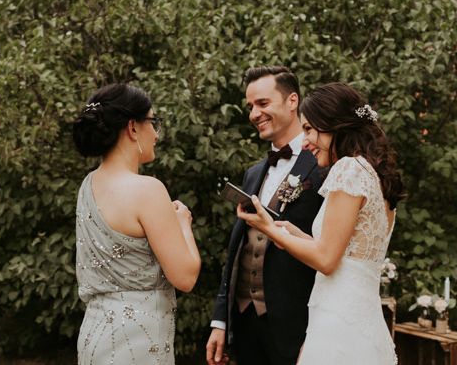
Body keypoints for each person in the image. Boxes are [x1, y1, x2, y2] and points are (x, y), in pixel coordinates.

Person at [238, 83, 404, 364]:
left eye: (309, 130)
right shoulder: (374, 175)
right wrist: (293, 234)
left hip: (338, 322)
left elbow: (326, 260)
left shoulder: (348, 169)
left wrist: (266, 229)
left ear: (334, 126)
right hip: (361, 321)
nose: (304, 142)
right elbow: (348, 255)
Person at [73, 83, 200, 365]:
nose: (156, 133)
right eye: (153, 122)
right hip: (139, 343)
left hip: (94, 335)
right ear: (133, 128)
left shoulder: (87, 186)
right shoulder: (147, 189)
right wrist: (183, 225)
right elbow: (186, 277)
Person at [206, 66, 324, 365]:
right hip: (245, 322)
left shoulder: (324, 165)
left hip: (297, 324)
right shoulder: (254, 173)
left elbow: (329, 250)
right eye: (250, 107)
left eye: (262, 104)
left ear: (292, 101)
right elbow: (237, 249)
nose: (254, 114)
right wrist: (221, 321)